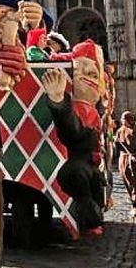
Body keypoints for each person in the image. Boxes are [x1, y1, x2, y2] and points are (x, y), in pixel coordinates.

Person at [42, 64, 105, 237]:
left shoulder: (96, 108)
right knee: (75, 174)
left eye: (92, 73)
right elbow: (72, 130)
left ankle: (93, 218)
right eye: (77, 73)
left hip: (91, 165)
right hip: (79, 164)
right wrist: (58, 102)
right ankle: (91, 219)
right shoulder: (80, 110)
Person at [114, 111, 136, 216]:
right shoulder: (120, 131)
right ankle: (132, 201)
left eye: (125, 119)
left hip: (135, 159)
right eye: (122, 119)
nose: (123, 121)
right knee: (127, 181)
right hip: (123, 159)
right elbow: (117, 144)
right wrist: (116, 143)